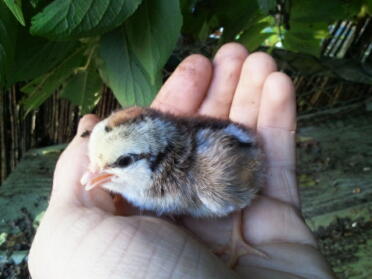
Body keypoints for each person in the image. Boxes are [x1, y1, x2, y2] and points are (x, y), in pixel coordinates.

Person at [28, 43, 335, 278]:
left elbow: (243, 175)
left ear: (156, 160)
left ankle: (238, 233)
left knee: (222, 193)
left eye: (119, 163)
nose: (93, 174)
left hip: (218, 170)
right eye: (97, 160)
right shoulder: (135, 172)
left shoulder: (212, 176)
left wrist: (236, 239)